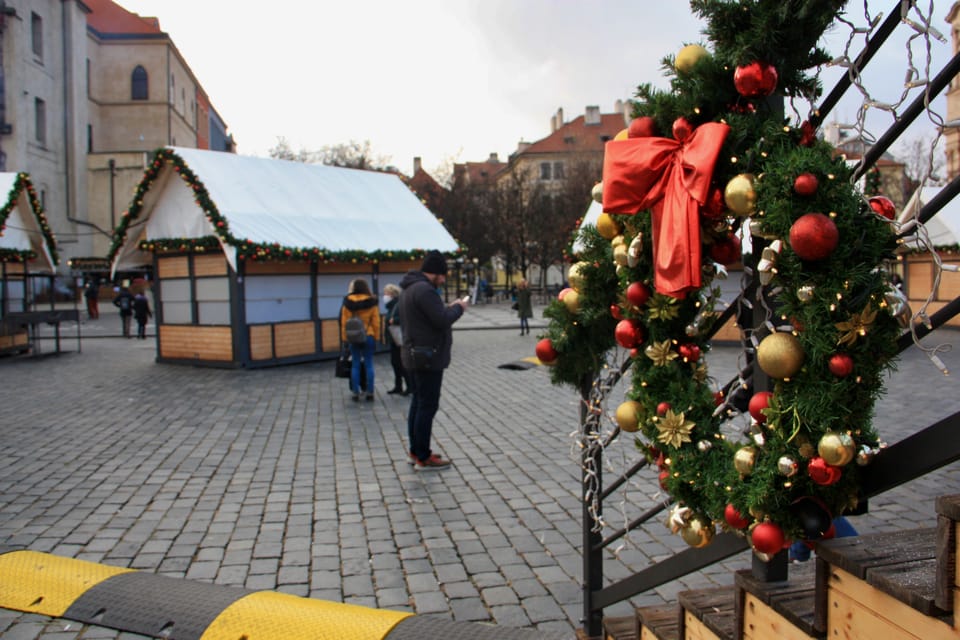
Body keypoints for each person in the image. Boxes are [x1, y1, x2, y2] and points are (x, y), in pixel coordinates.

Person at [399, 250, 469, 470]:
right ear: (437, 273)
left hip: (414, 355)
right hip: (427, 357)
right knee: (427, 407)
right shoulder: (425, 291)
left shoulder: (410, 289)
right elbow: (441, 320)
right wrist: (459, 308)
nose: (444, 279)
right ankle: (423, 455)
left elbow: (429, 318)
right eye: (443, 275)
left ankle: (415, 450)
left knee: (418, 404)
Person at [340, 279, 380, 402]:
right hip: (368, 334)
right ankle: (370, 391)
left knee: (355, 364)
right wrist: (376, 337)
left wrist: (345, 338)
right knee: (369, 363)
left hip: (353, 336)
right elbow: (376, 322)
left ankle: (355, 392)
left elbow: (343, 322)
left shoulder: (347, 302)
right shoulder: (372, 302)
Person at [383, 283, 412, 396]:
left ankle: (410, 386)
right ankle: (398, 385)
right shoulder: (391, 305)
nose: (384, 296)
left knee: (401, 363)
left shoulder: (399, 304)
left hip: (399, 339)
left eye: (386, 293)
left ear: (392, 294)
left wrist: (394, 320)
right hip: (394, 339)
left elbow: (405, 318)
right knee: (395, 363)